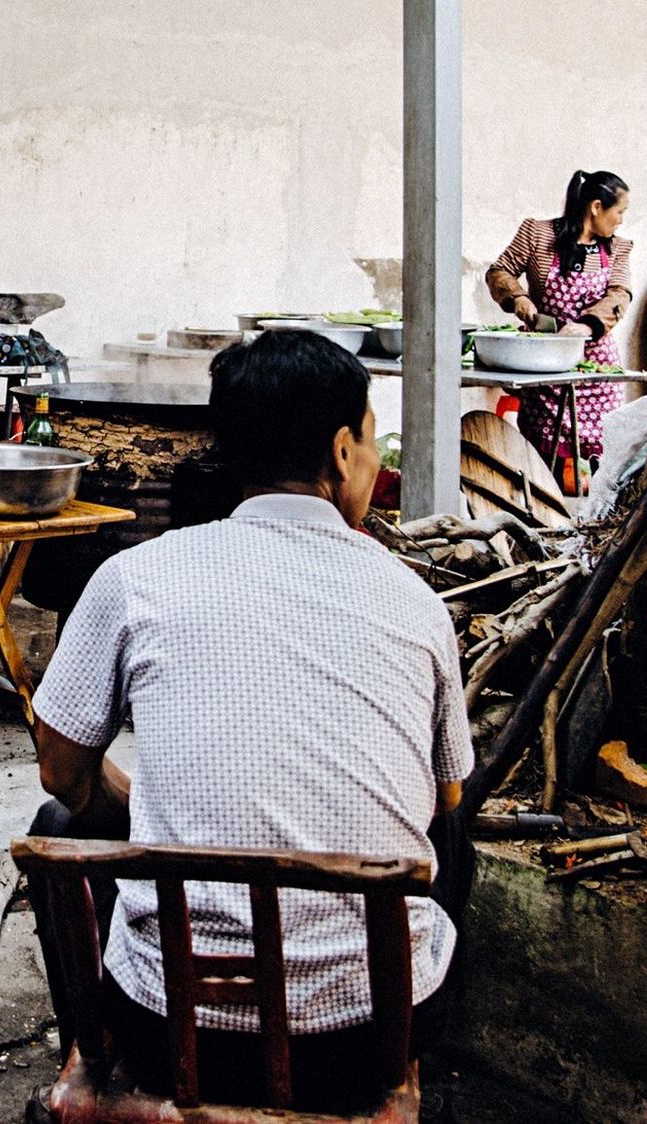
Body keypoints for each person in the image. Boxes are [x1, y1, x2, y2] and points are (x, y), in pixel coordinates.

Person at [26, 330, 474, 1114]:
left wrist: (150, 808)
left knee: (54, 815)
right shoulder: (416, 603)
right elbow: (443, 804)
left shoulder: (134, 578)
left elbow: (62, 773)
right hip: (363, 1036)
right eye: (372, 442)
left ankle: (96, 1064)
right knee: (454, 835)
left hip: (172, 1029)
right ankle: (401, 1074)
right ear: (341, 452)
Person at [486, 169, 632, 473]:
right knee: (542, 457)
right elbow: (500, 271)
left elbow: (620, 295)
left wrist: (587, 326)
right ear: (596, 207)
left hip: (596, 368)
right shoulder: (537, 234)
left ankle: (600, 517)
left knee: (604, 459)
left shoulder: (616, 249)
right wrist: (518, 298)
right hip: (544, 363)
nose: (621, 219)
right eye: (619, 211)